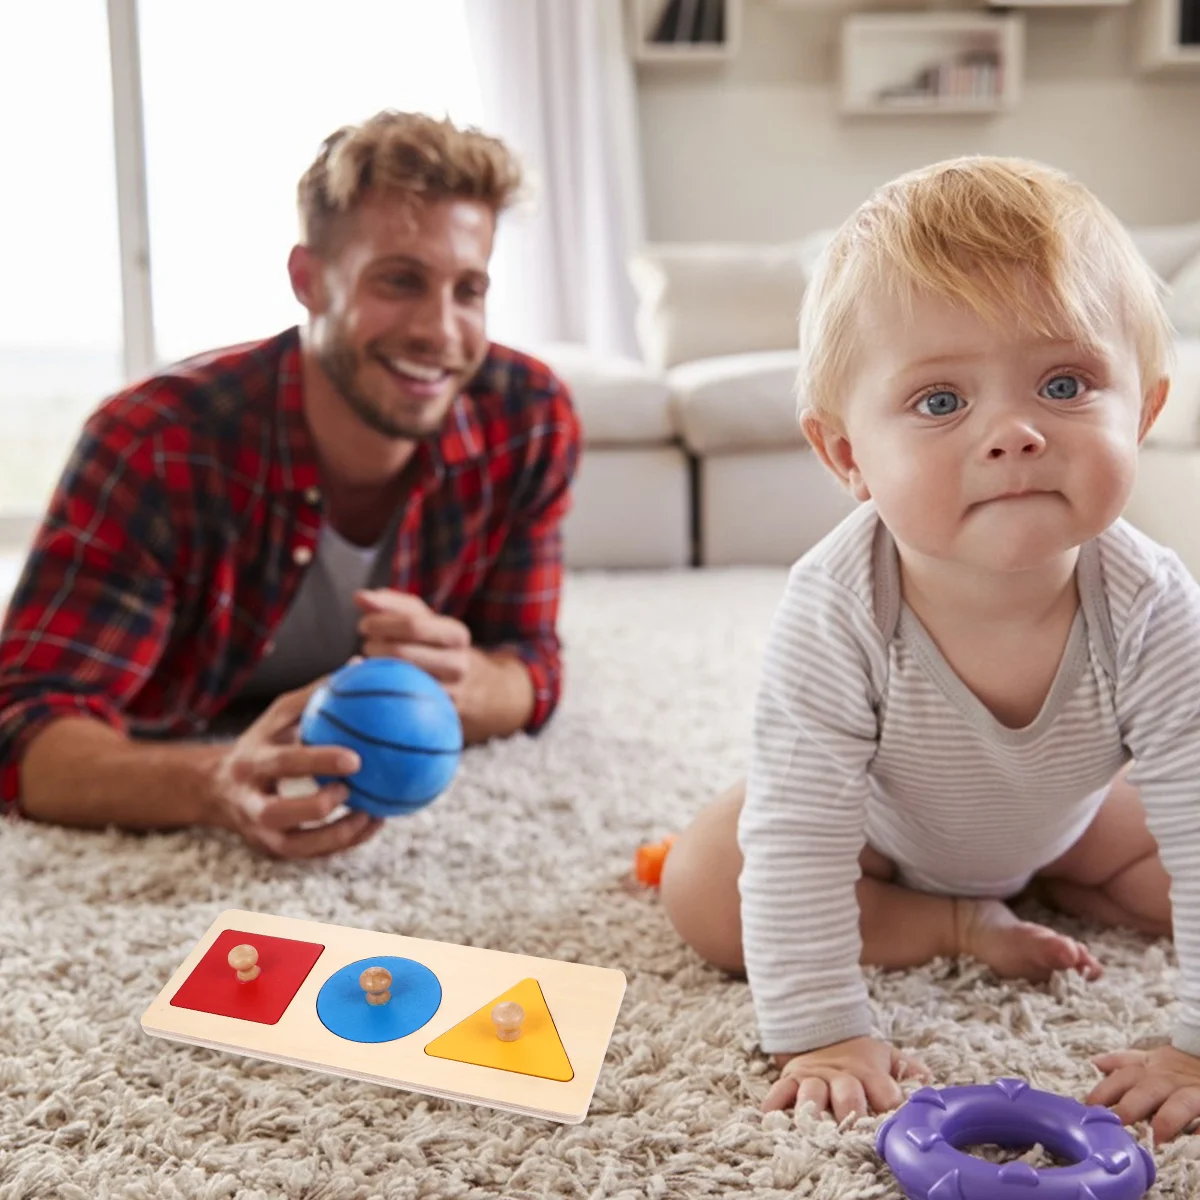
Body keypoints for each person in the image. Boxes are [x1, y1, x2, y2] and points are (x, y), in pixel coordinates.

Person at [658, 155, 1200, 1143]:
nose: (1016, 433)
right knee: (702, 884)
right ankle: (955, 924)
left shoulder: (1153, 606)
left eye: (1066, 382)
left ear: (1146, 411)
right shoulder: (836, 605)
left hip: (1067, 816)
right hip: (882, 833)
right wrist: (822, 1034)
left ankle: (1057, 877)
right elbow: (800, 834)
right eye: (941, 402)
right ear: (846, 456)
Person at [0, 110, 581, 859]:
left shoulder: (527, 419)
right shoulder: (153, 443)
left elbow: (532, 659)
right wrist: (211, 781)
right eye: (400, 281)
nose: (442, 331)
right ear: (309, 281)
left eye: (468, 290)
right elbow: (23, 726)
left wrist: (470, 680)